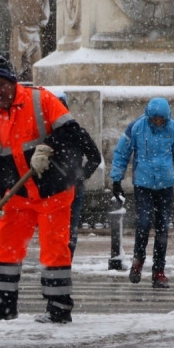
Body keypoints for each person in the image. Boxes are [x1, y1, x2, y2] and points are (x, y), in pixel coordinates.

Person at [0, 53, 100, 324]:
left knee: (54, 249)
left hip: (53, 191)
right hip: (18, 195)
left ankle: (59, 308)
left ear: (13, 81)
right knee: (4, 248)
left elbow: (72, 132)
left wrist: (48, 147)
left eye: (2, 85)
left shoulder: (41, 99)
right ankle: (3, 306)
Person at [110, 97, 174, 289]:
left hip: (165, 186)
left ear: (167, 118)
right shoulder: (136, 128)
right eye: (154, 119)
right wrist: (116, 178)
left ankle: (158, 271)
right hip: (143, 184)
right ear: (149, 116)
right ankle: (138, 262)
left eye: (161, 120)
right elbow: (122, 153)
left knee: (163, 228)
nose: (157, 122)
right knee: (143, 224)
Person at [57, 93, 102, 256]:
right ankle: (61, 264)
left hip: (64, 188)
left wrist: (80, 176)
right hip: (64, 187)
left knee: (62, 230)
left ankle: (60, 265)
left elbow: (95, 158)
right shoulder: (76, 131)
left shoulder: (70, 133)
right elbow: (95, 158)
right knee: (67, 230)